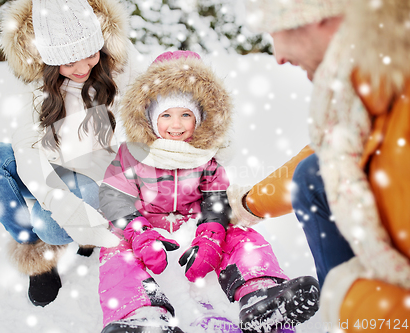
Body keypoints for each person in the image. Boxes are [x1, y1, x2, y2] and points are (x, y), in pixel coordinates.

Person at [97, 50, 320, 333]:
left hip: (194, 227)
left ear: (200, 118)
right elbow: (113, 196)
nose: (175, 125)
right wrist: (139, 233)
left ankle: (260, 293)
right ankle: (139, 314)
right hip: (147, 231)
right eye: (166, 114)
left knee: (241, 234)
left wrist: (211, 236)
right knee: (113, 248)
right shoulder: (132, 154)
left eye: (185, 115)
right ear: (150, 117)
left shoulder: (205, 157)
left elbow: (215, 199)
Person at [227, 0, 410, 329]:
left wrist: (348, 298)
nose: (279, 56)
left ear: (322, 18)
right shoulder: (372, 87)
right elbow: (323, 159)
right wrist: (247, 204)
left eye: (277, 32)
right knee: (313, 175)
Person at [0, 0, 144, 307]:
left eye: (90, 55)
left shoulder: (123, 67)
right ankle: (35, 250)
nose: (83, 68)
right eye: (68, 62)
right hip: (54, 169)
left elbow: (163, 103)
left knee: (51, 225)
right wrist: (58, 202)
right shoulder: (39, 88)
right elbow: (27, 154)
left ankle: (71, 228)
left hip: (101, 174)